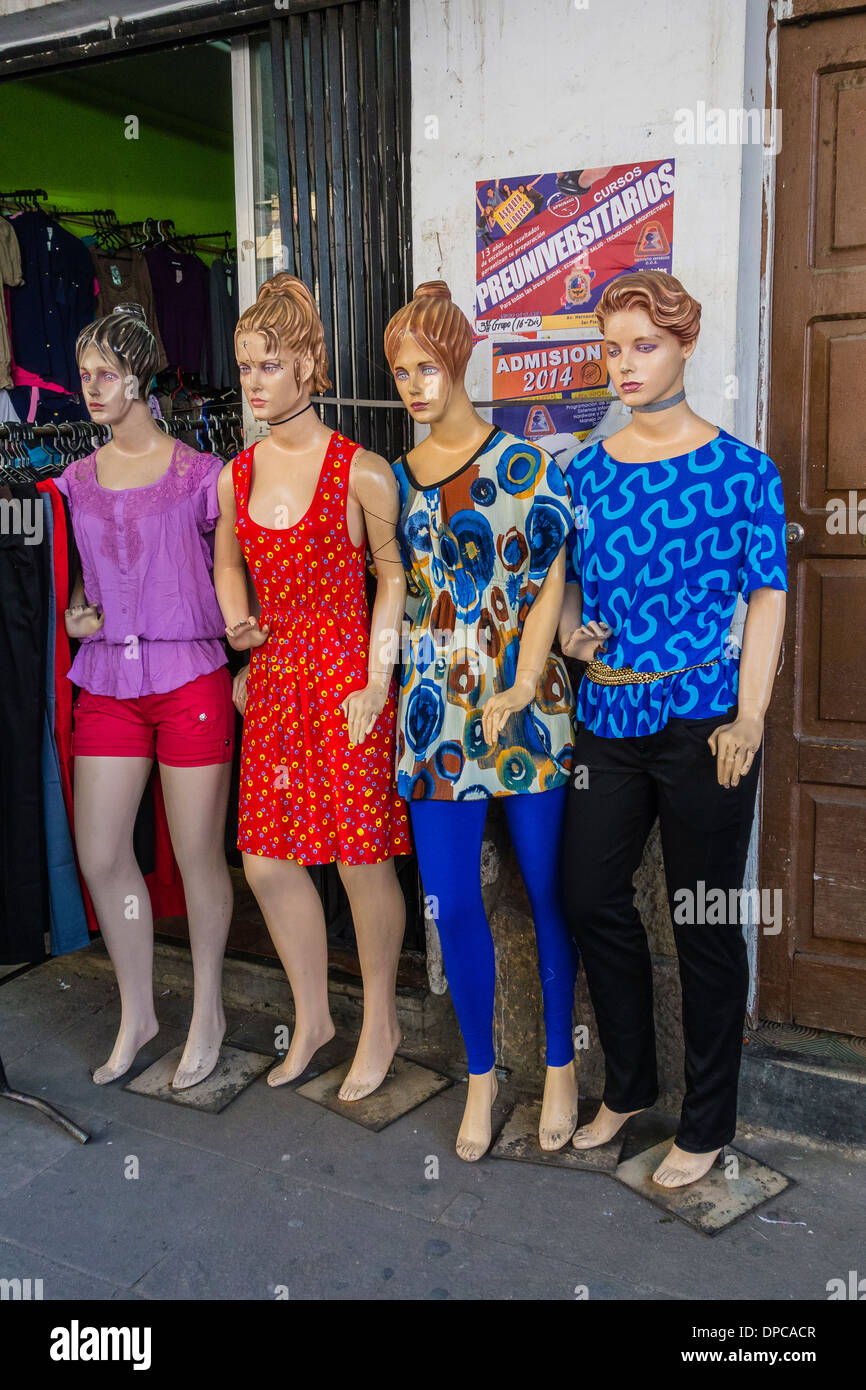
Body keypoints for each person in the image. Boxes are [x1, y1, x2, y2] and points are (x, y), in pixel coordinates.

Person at [559, 271, 787, 1187]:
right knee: (588, 892)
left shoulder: (742, 470)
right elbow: (566, 585)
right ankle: (628, 1084)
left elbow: (768, 595)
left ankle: (707, 1122)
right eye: (612, 347)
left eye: (643, 345)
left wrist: (753, 715)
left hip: (704, 720)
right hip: (608, 712)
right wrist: (573, 631)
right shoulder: (583, 472)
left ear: (686, 345)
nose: (624, 364)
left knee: (703, 920)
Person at [385, 281, 579, 1160]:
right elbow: (394, 592)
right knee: (452, 899)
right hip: (433, 710)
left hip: (525, 707)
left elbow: (551, 578)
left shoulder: (529, 465)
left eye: (425, 366)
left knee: (547, 892)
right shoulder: (392, 480)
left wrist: (528, 672)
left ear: (459, 360)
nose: (414, 386)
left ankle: (563, 1067)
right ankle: (480, 1075)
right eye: (399, 373)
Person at [214, 273, 411, 1101]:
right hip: (276, 684)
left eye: (266, 365)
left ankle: (380, 1021)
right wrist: (238, 634)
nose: (253, 382)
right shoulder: (235, 474)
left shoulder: (361, 470)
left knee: (362, 861)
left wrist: (378, 677)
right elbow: (229, 562)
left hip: (346, 681)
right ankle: (313, 1015)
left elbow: (393, 577)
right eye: (245, 366)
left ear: (306, 366)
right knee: (264, 860)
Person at [58, 306, 234, 1089]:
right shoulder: (73, 481)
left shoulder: (203, 476)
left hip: (189, 672)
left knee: (197, 853)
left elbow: (235, 575)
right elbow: (75, 593)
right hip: (107, 678)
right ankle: (139, 1009)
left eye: (104, 371)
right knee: (101, 853)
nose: (91, 386)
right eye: (83, 372)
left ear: (139, 375)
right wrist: (75, 615)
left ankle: (207, 1009)